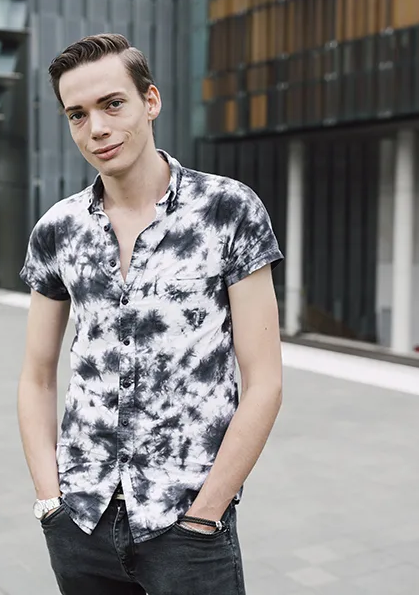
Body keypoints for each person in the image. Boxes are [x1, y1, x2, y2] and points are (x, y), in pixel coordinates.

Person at [17, 33, 284, 595]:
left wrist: (206, 514)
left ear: (151, 101)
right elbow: (37, 375)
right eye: (78, 114)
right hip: (81, 520)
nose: (97, 129)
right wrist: (50, 501)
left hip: (187, 525)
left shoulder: (227, 209)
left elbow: (264, 381)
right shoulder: (57, 229)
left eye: (113, 104)